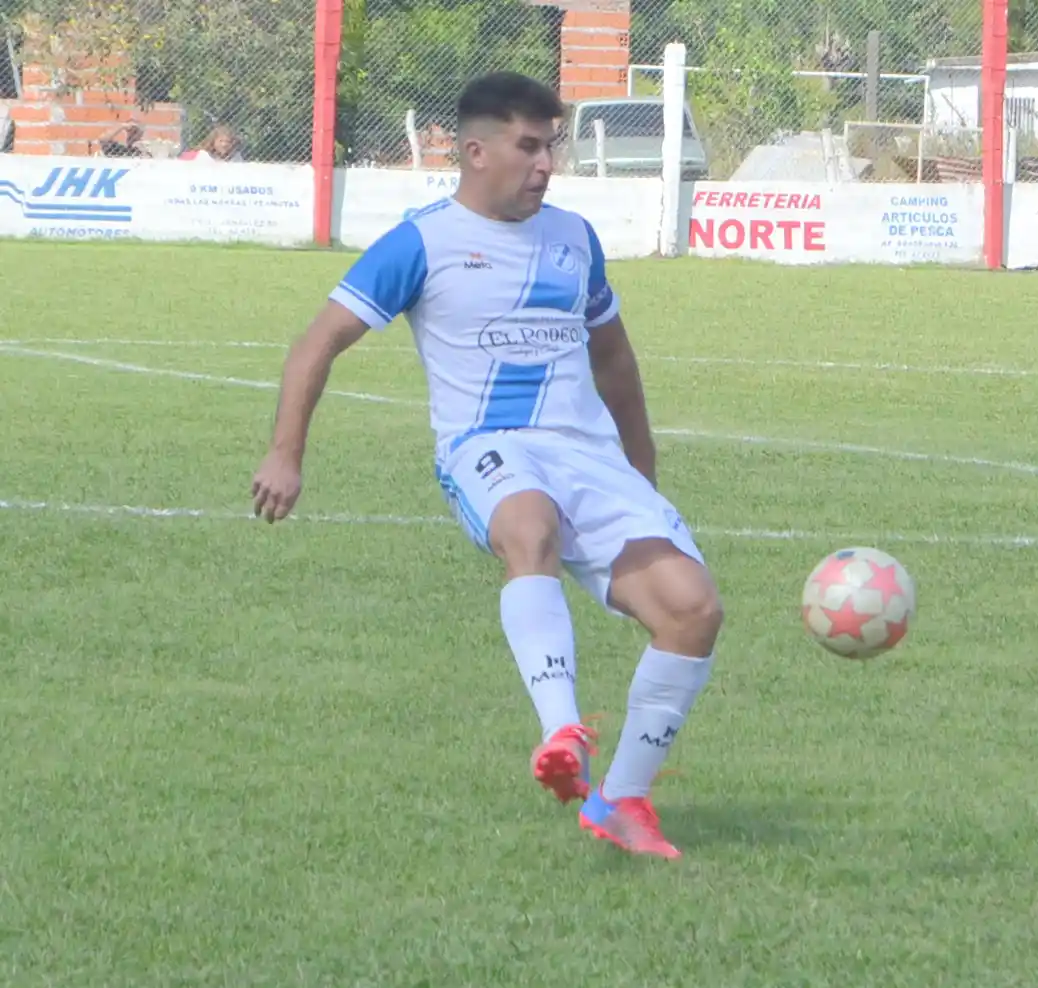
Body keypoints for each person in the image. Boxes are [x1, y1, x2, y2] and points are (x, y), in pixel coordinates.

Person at [250, 71, 723, 859]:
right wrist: (284, 453)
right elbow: (316, 344)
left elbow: (614, 358)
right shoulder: (421, 241)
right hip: (487, 445)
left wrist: (640, 468)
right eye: (528, 146)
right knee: (528, 527)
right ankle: (560, 731)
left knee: (692, 607)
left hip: (589, 455)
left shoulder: (574, 239)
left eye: (551, 148)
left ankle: (622, 801)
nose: (545, 164)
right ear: (475, 151)